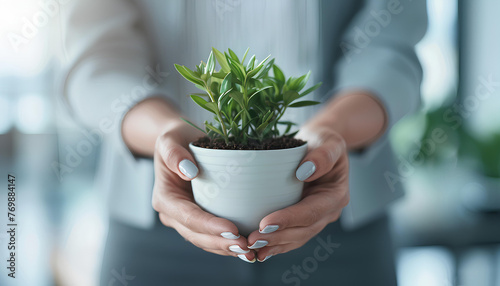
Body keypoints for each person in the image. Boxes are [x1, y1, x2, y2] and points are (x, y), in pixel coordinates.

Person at [61, 0, 427, 285]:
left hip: (340, 214)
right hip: (157, 220)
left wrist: (331, 133)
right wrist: (164, 134)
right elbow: (97, 59)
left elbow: (390, 49)